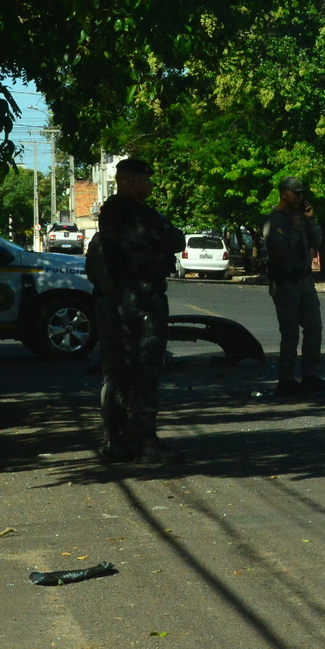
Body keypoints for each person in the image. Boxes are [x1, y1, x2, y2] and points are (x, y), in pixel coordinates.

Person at [90, 157, 185, 463]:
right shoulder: (137, 214)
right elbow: (175, 238)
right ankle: (145, 442)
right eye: (146, 179)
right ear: (130, 180)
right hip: (142, 300)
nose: (150, 185)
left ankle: (116, 441)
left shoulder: (108, 215)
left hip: (113, 301)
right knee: (145, 371)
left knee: (116, 373)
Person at [262, 175, 325, 397]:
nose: (300, 197)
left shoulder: (300, 217)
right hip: (286, 281)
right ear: (283, 193)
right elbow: (279, 250)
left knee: (314, 327)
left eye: (302, 193)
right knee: (290, 332)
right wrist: (294, 228)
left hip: (304, 279)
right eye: (296, 193)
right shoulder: (275, 219)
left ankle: (310, 374)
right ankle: (286, 378)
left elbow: (317, 242)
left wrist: (310, 220)